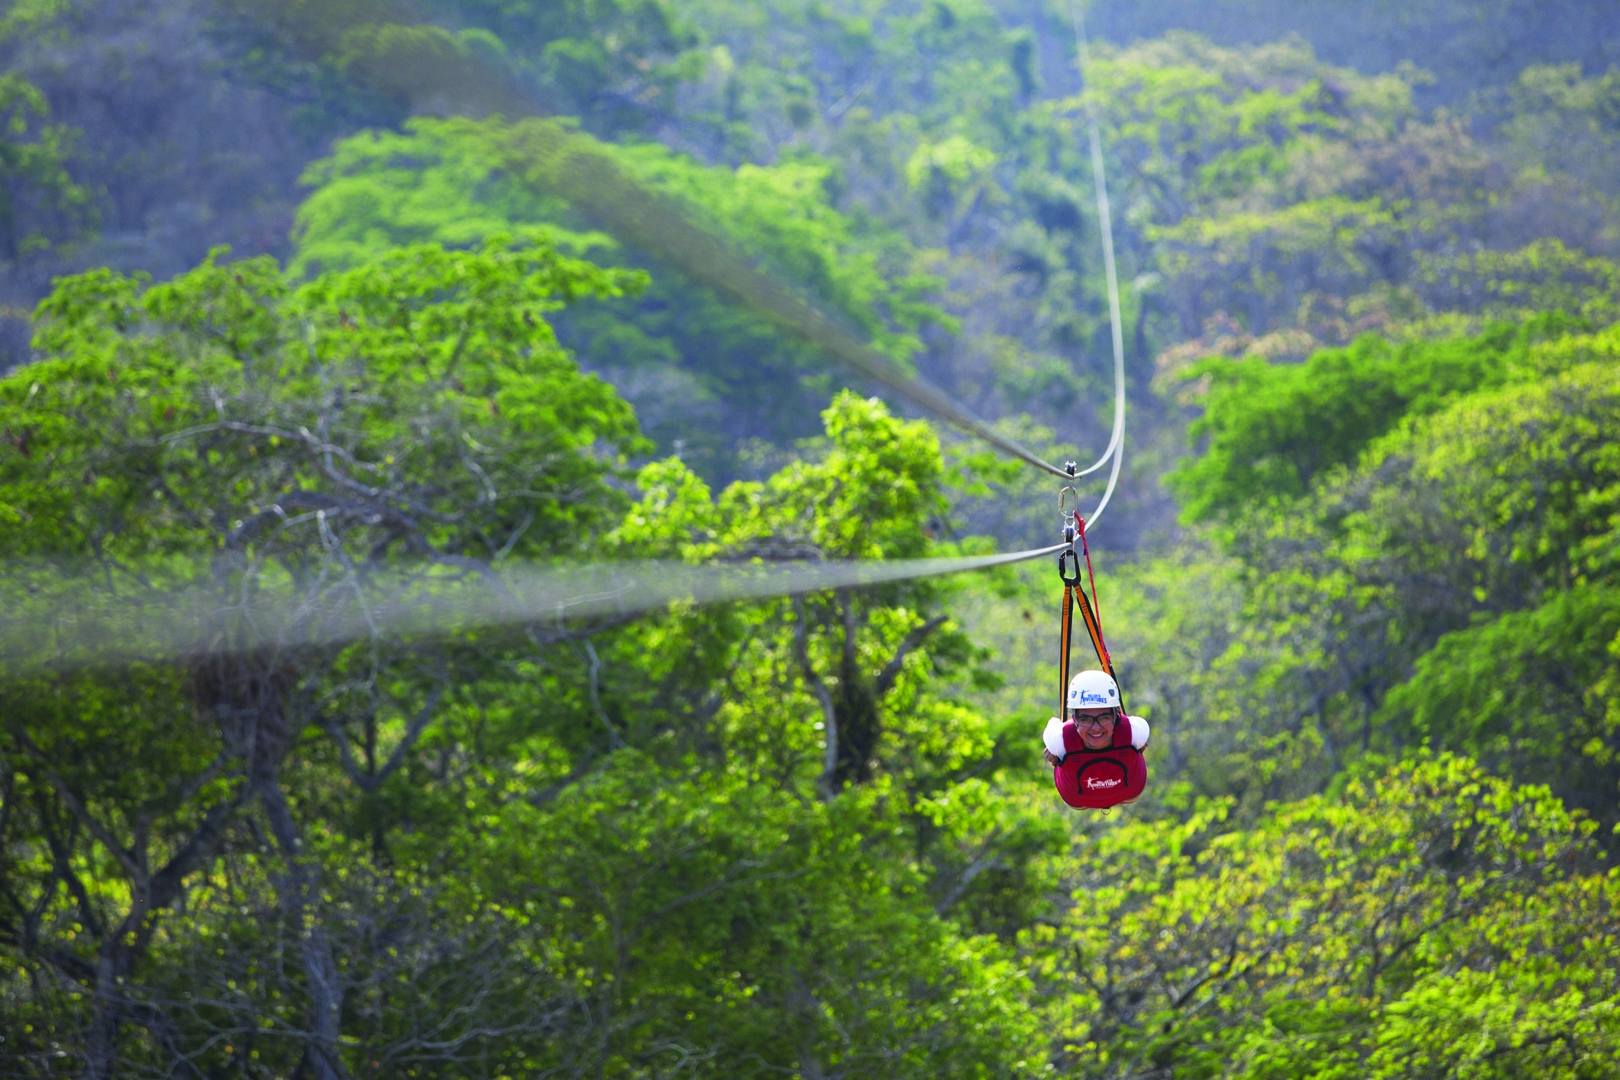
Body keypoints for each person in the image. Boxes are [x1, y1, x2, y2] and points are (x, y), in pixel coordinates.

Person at [1042, 669, 1149, 809]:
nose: (1096, 727)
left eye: (1104, 717)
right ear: (1074, 719)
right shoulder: (1059, 740)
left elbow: (1053, 725)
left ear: (1116, 716)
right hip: (1092, 796)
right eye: (1086, 719)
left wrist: (1057, 752)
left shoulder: (1058, 740)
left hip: (1084, 797)